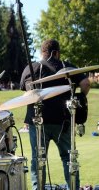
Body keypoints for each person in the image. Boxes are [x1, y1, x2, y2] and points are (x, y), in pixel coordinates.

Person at [20, 39, 90, 190]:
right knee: (68, 157)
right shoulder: (67, 67)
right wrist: (79, 97)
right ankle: (73, 187)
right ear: (56, 53)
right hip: (63, 122)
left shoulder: (32, 68)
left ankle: (38, 188)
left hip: (38, 122)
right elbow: (86, 83)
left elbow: (25, 90)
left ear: (42, 53)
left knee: (38, 159)